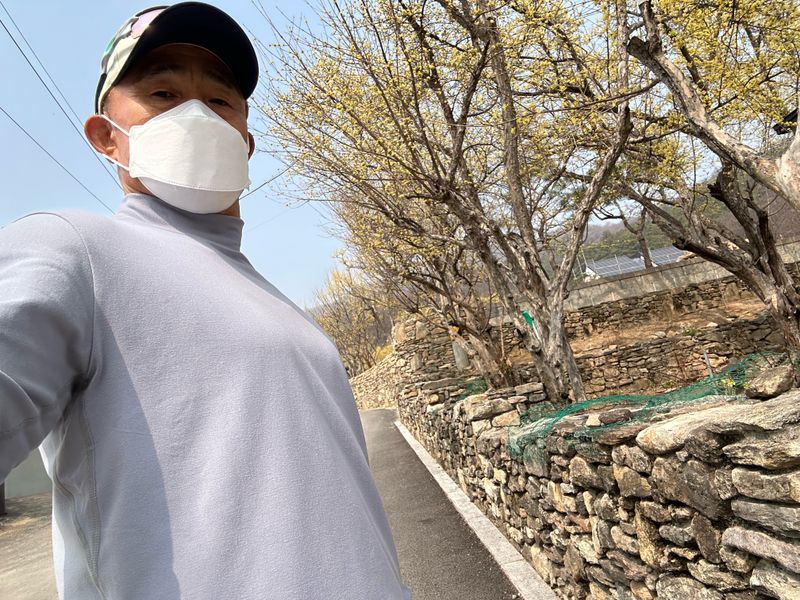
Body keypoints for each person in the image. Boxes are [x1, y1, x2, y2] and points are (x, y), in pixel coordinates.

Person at [0, 3, 412, 599]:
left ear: (245, 142)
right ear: (106, 136)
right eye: (163, 94)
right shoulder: (74, 252)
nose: (195, 114)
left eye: (219, 101)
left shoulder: (289, 314)